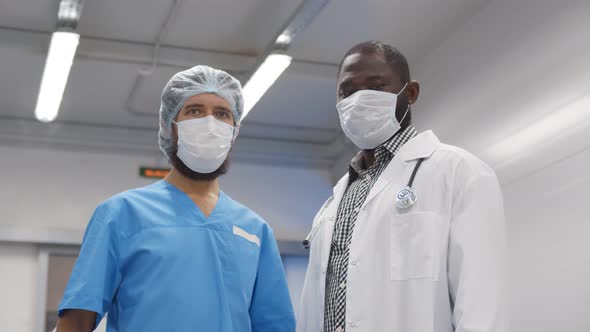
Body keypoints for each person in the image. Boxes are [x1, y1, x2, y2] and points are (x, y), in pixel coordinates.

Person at [56, 65, 296, 332]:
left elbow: (274, 326)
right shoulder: (122, 214)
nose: (209, 123)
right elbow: (76, 321)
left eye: (222, 113)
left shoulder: (255, 231)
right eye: (194, 111)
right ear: (171, 126)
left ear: (234, 130)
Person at [298, 41, 507, 332]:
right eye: (347, 91)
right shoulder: (333, 203)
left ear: (410, 93)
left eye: (376, 86)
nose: (359, 99)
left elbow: (482, 308)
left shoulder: (459, 172)